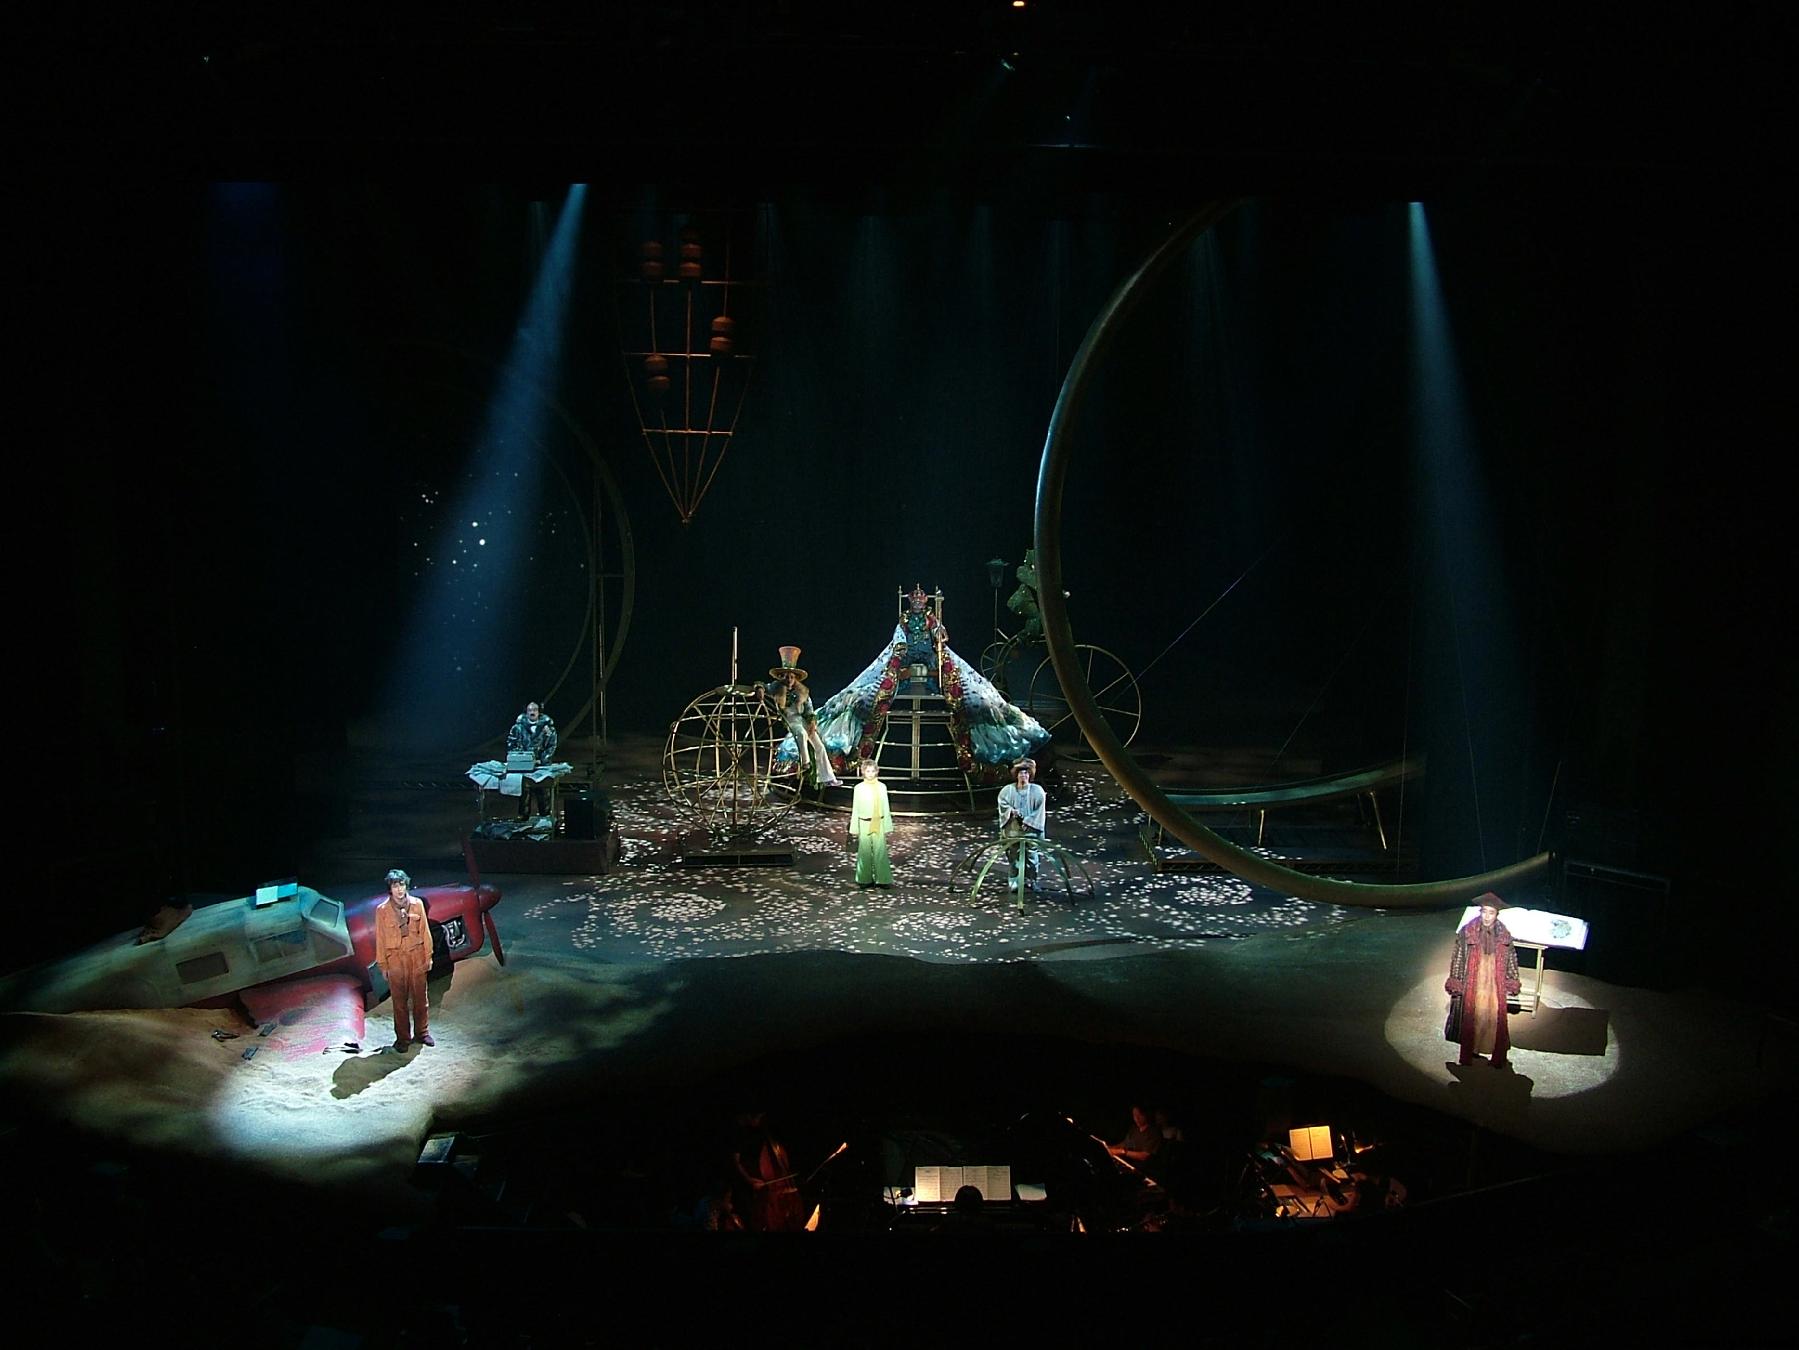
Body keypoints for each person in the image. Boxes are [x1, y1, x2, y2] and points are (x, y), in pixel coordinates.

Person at [801, 584, 1051, 785]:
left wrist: (938, 636)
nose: (918, 604)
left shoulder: (931, 618)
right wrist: (900, 655)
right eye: (915, 601)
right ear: (911, 603)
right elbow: (899, 638)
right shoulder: (905, 620)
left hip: (931, 653)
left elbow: (938, 632)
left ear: (926, 603)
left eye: (921, 601)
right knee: (863, 696)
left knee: (976, 699)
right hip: (907, 654)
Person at [1445, 892, 1522, 1068]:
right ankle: (1471, 1050)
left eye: (1491, 913)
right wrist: (1456, 979)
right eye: (1484, 912)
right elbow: (1458, 956)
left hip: (1494, 982)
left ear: (1496, 914)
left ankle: (1494, 1052)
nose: (1487, 916)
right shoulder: (1468, 931)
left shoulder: (1503, 934)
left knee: (1493, 1016)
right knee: (1474, 1014)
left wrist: (1512, 979)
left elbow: (1511, 957)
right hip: (1475, 980)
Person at [761, 646, 840, 788]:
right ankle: (805, 762)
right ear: (781, 677)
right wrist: (759, 689)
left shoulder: (802, 691)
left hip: (802, 719)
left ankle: (828, 778)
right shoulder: (776, 687)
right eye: (786, 676)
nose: (789, 679)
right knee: (801, 734)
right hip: (790, 719)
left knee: (819, 746)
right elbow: (761, 685)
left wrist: (812, 722)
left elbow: (809, 709)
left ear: (795, 678)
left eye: (792, 677)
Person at [373, 868, 434, 1051]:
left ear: (406, 885)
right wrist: (383, 965)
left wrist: (428, 956)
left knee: (420, 999)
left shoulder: (417, 904)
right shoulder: (382, 910)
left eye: (402, 885)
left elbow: (425, 931)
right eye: (395, 886)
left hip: (416, 956)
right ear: (390, 889)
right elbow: (380, 938)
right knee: (399, 1002)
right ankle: (403, 1039)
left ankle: (422, 1033)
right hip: (395, 960)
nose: (399, 889)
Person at [996, 757, 1047, 890]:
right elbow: (1002, 803)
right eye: (1020, 773)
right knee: (1014, 856)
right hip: (1013, 831)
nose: (1023, 776)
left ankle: (1032, 880)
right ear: (1016, 775)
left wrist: (1029, 821)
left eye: (1026, 773)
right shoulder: (1007, 791)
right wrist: (1011, 811)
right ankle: (1014, 881)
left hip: (1031, 831)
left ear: (1029, 775)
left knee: (1032, 857)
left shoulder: (1037, 791)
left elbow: (1039, 810)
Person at [506, 700, 558, 817]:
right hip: (523, 767)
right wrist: (521, 758)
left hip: (541, 766)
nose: (532, 712)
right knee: (524, 792)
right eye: (530, 710)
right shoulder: (518, 728)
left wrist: (542, 760)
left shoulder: (548, 728)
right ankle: (523, 817)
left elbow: (551, 746)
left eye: (534, 710)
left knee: (543, 792)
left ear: (539, 712)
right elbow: (511, 743)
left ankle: (545, 816)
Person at [849, 759, 894, 888]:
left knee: (881, 851)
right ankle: (864, 879)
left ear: (877, 772)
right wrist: (854, 828)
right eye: (867, 771)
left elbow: (886, 807)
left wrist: (887, 825)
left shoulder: (882, 787)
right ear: (863, 772)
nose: (870, 774)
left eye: (872, 771)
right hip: (863, 821)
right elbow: (855, 808)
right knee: (864, 851)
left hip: (879, 821)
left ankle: (883, 880)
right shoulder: (858, 788)